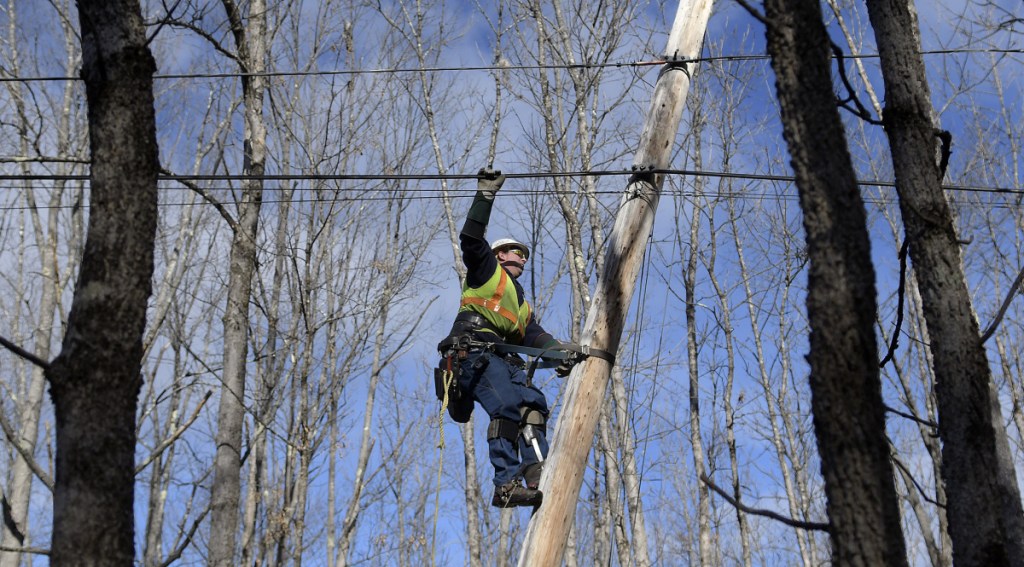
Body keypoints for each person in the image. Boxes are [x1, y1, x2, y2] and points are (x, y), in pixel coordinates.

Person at [439, 167, 575, 508]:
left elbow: (535, 336)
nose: (522, 257)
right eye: (516, 251)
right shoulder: (486, 270)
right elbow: (471, 240)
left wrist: (560, 353)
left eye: (525, 254)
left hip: (501, 360)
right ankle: (506, 484)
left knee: (534, 405)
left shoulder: (521, 305)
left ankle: (534, 470)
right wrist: (485, 194)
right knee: (507, 405)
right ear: (500, 255)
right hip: (474, 353)